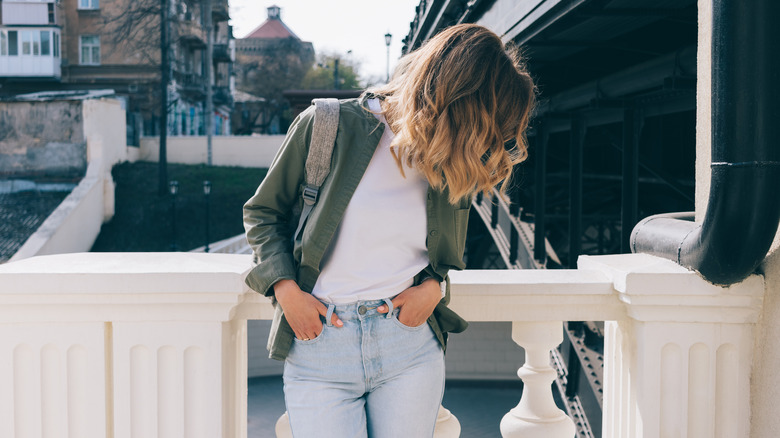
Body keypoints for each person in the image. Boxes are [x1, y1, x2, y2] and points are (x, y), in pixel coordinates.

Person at [243, 23, 535, 438]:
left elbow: (442, 256)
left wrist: (435, 288)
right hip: (322, 343)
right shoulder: (328, 125)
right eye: (483, 125)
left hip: (409, 346)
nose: (484, 143)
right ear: (460, 101)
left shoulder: (451, 157)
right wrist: (286, 292)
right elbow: (262, 212)